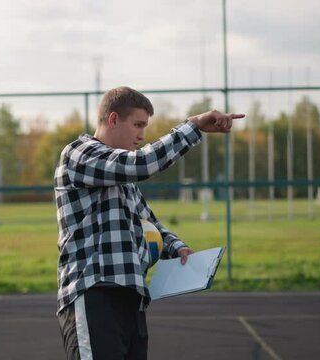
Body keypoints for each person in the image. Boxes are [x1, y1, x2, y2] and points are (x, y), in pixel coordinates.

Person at [54, 86, 244, 360]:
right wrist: (193, 126)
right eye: (138, 124)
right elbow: (142, 164)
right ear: (113, 119)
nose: (142, 135)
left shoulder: (122, 179)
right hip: (94, 295)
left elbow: (150, 223)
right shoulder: (79, 154)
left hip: (132, 299)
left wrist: (178, 248)